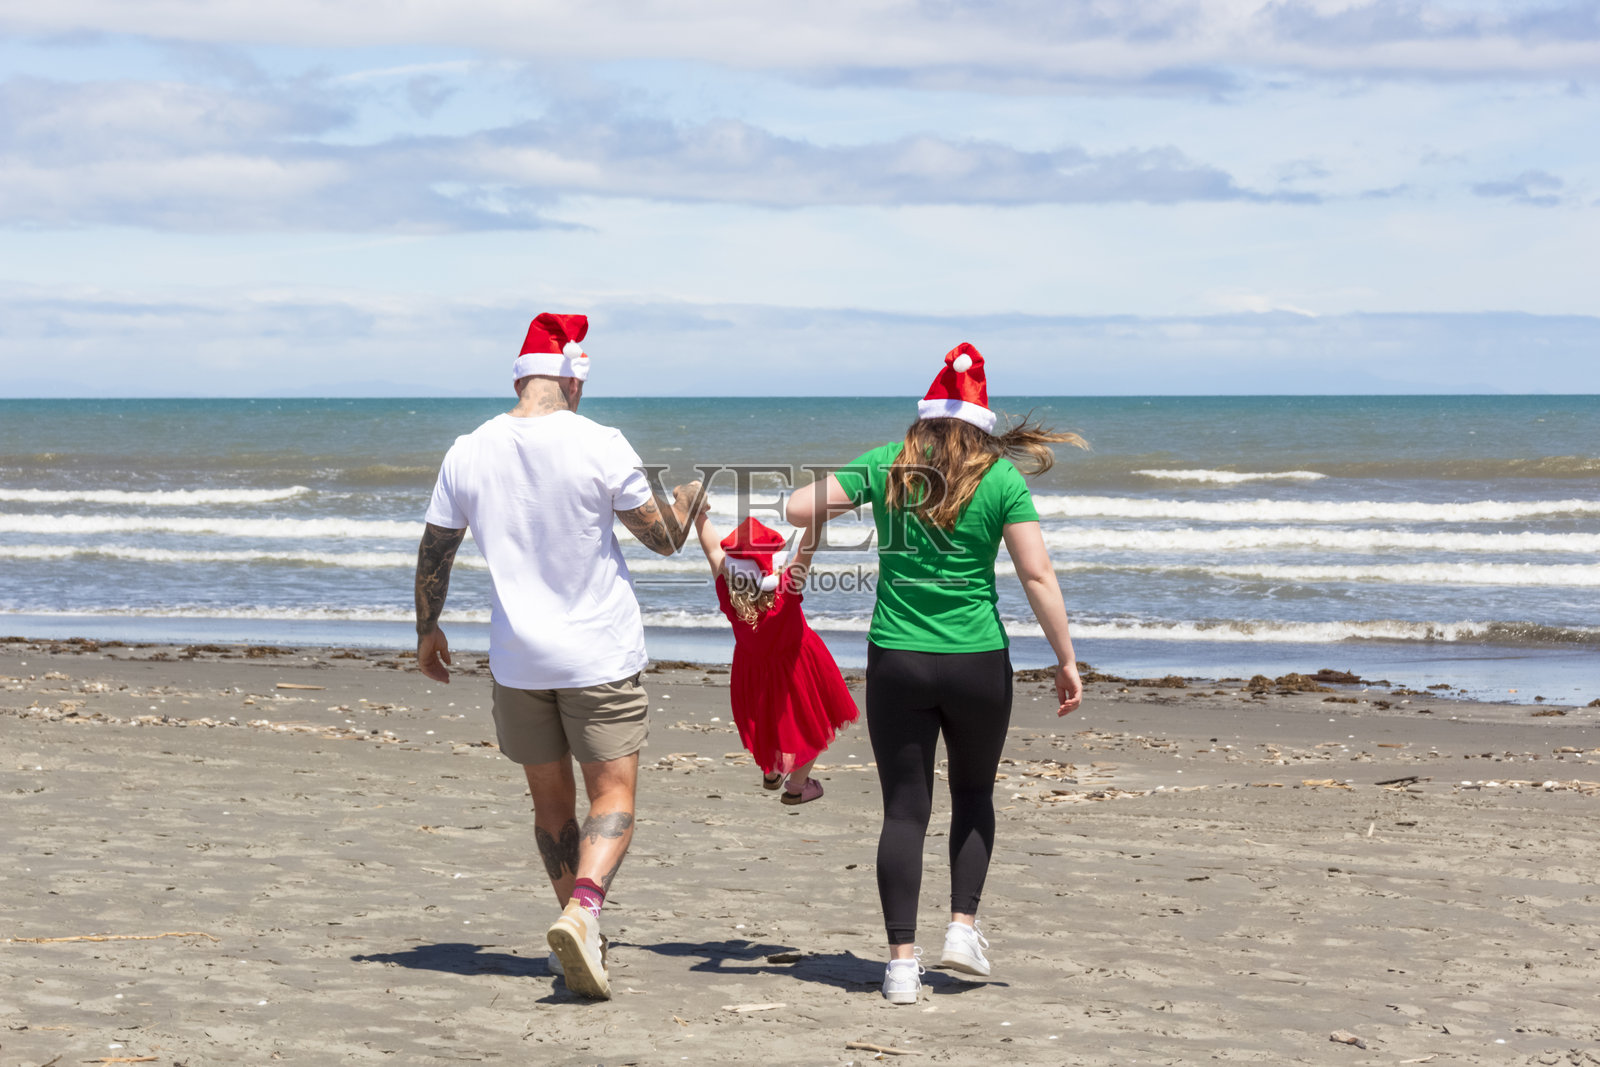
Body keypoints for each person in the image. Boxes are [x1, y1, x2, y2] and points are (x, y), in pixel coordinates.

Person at [785, 342, 1087, 1005]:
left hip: (897, 659)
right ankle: (962, 928)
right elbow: (1037, 574)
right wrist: (1065, 659)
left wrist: (842, 511)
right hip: (978, 661)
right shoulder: (1001, 479)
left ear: (924, 420)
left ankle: (900, 967)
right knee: (973, 794)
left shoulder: (886, 465)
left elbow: (798, 508)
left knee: (904, 810)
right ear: (980, 423)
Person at [413, 312, 701, 1000]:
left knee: (551, 804)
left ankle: (579, 932)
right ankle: (583, 911)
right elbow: (663, 539)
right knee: (612, 794)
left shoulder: (468, 450)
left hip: (519, 660)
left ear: (520, 379)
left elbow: (436, 550)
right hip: (598, 655)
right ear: (573, 380)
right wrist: (689, 500)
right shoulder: (600, 441)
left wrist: (428, 629)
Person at [691, 513, 858, 804]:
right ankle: (797, 786)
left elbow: (713, 549)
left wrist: (698, 513)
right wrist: (817, 515)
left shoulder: (728, 591)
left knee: (766, 723)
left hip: (752, 670)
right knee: (812, 723)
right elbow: (806, 549)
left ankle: (772, 772)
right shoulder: (786, 587)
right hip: (797, 667)